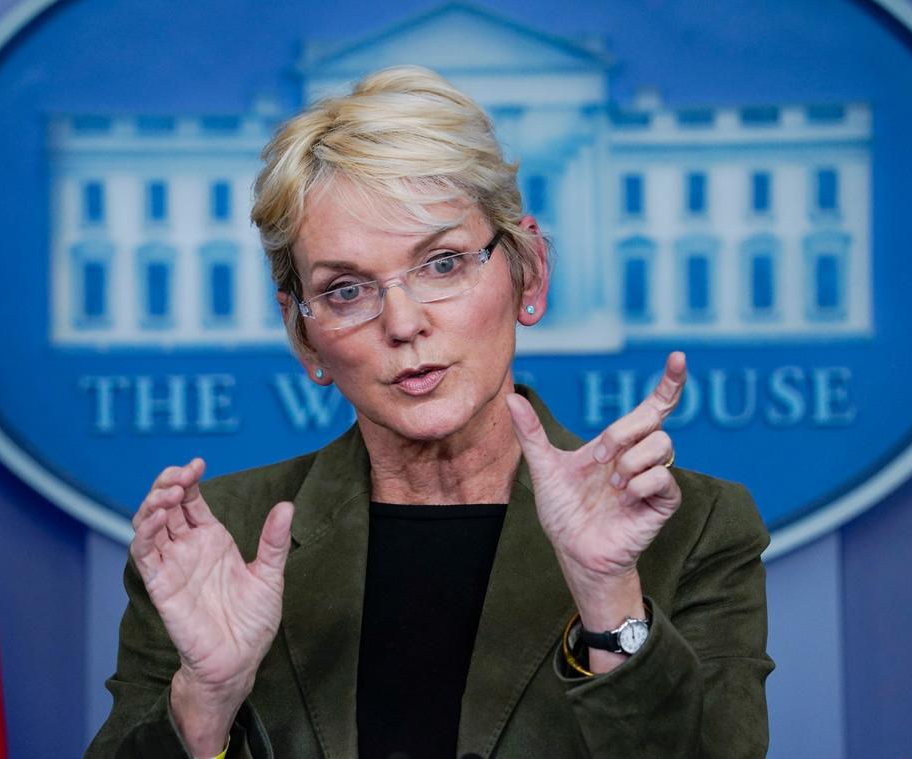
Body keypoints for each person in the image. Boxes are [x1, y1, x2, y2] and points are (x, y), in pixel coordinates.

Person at [87, 66, 773, 759]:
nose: (404, 322)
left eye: (442, 263)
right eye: (349, 289)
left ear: (527, 273)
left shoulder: (692, 529)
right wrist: (205, 699)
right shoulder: (217, 537)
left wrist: (609, 605)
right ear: (304, 335)